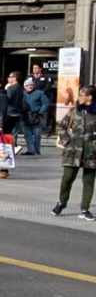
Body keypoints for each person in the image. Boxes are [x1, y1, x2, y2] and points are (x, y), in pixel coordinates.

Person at [52, 85, 96, 220]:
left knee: (88, 181)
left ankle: (85, 209)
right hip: (72, 151)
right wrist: (66, 141)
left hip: (91, 152)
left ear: (90, 97)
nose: (79, 97)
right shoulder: (74, 111)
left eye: (82, 95)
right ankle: (61, 202)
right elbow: (61, 126)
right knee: (67, 179)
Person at [21, 77, 50, 157]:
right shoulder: (22, 94)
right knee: (27, 134)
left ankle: (36, 150)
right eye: (27, 85)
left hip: (37, 116)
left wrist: (40, 111)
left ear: (33, 85)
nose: (29, 86)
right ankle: (30, 150)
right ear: (24, 86)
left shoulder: (40, 93)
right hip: (25, 116)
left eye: (31, 85)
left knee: (37, 134)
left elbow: (46, 103)